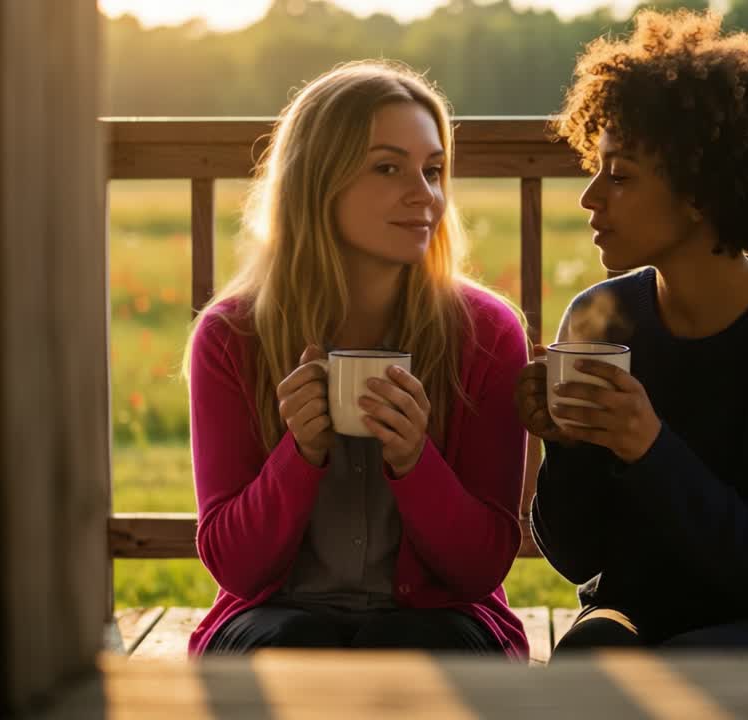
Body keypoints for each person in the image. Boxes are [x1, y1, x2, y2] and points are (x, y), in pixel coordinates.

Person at [516, 10, 748, 656]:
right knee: (587, 652)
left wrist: (648, 447)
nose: (589, 198)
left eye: (619, 175)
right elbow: (576, 558)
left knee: (684, 669)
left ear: (703, 193)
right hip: (642, 617)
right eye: (595, 170)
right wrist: (564, 447)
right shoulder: (599, 320)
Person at [184, 60, 529, 659]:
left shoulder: (486, 332)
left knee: (410, 648)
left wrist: (414, 460)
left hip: (441, 619)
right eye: (388, 167)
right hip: (275, 616)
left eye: (434, 170)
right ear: (317, 182)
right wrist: (301, 454)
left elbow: (481, 569)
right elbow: (237, 570)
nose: (425, 196)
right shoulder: (232, 335)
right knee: (293, 647)